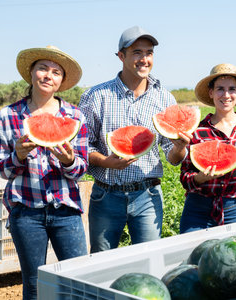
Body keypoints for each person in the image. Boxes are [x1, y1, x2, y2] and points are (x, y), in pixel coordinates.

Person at [79, 25, 190, 253]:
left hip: (147, 195)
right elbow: (81, 145)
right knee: (101, 263)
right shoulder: (96, 96)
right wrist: (104, 161)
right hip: (106, 194)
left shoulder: (164, 98)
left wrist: (180, 147)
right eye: (137, 52)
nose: (144, 59)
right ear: (121, 56)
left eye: (149, 53)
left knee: (148, 261)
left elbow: (173, 157)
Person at [0, 45, 88, 300]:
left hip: (66, 211)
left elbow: (81, 168)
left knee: (78, 280)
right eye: (43, 68)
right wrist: (18, 156)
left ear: (61, 81)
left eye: (56, 72)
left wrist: (69, 161)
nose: (49, 75)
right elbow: (1, 168)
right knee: (34, 285)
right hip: (26, 212)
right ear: (31, 73)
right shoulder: (9, 115)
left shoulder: (75, 116)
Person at [179, 63, 236, 233]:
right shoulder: (197, 130)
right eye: (220, 89)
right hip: (197, 211)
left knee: (234, 259)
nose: (226, 95)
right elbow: (185, 178)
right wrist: (200, 178)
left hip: (235, 210)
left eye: (232, 89)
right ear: (211, 93)